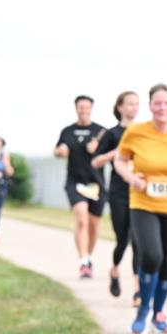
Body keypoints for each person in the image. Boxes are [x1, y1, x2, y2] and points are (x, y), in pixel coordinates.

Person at [114, 84, 167, 334]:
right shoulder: (136, 132)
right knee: (151, 255)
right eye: (158, 103)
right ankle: (143, 309)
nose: (163, 108)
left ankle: (158, 313)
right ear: (150, 106)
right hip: (143, 203)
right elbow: (120, 160)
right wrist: (130, 178)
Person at [93, 91, 142, 305]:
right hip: (118, 193)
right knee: (122, 239)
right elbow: (95, 162)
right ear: (120, 107)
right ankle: (114, 270)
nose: (134, 108)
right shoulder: (111, 133)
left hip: (139, 192)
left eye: (137, 104)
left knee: (138, 241)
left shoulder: (143, 132)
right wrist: (115, 154)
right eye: (130, 104)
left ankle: (138, 290)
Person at [54, 95, 107, 278]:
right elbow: (57, 150)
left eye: (87, 107)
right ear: (76, 108)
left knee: (93, 225)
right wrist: (60, 152)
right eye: (80, 107)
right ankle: (83, 260)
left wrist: (98, 149)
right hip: (75, 182)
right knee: (82, 219)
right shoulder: (67, 131)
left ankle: (88, 257)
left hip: (96, 184)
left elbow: (112, 154)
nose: (83, 110)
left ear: (91, 109)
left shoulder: (100, 131)